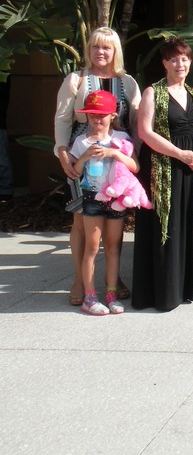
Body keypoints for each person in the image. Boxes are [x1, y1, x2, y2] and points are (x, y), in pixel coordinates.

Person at [54, 27, 140, 306]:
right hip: (81, 156)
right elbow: (62, 119)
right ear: (88, 49)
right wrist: (63, 153)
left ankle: (113, 279)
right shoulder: (76, 79)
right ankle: (80, 280)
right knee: (81, 221)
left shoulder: (127, 82)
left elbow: (135, 122)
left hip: (116, 159)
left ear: (115, 51)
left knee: (114, 221)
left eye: (106, 47)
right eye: (95, 46)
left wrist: (134, 158)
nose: (100, 52)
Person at [133, 38, 193, 311]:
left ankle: (185, 286)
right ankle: (163, 292)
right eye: (174, 59)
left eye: (185, 59)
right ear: (165, 63)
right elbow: (145, 133)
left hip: (190, 170)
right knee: (164, 227)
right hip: (163, 170)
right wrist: (179, 154)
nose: (180, 64)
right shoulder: (153, 92)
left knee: (186, 227)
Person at [70, 90, 138, 315]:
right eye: (92, 115)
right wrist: (85, 156)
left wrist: (114, 153)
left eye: (102, 115)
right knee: (91, 247)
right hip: (92, 198)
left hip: (115, 198)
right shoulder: (81, 141)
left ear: (112, 115)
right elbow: (75, 172)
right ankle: (90, 297)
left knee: (112, 247)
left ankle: (111, 294)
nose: (97, 119)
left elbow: (135, 166)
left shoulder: (121, 138)